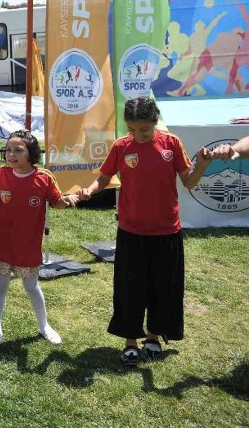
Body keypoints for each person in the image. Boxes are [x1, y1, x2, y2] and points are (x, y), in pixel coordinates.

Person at [78, 97, 212, 368]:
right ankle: (130, 342)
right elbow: (103, 177)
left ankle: (153, 337)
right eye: (132, 130)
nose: (138, 136)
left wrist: (203, 166)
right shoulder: (121, 146)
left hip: (167, 232)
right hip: (131, 231)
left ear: (154, 122)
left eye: (144, 130)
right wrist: (89, 191)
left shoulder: (171, 144)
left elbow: (189, 181)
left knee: (163, 287)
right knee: (130, 288)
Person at [0, 130, 79, 346]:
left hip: (28, 243)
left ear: (31, 153)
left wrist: (69, 199)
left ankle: (44, 325)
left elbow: (57, 202)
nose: (11, 154)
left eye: (18, 150)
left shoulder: (43, 178)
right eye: (8, 150)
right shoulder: (0, 173)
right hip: (2, 240)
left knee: (31, 286)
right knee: (0, 284)